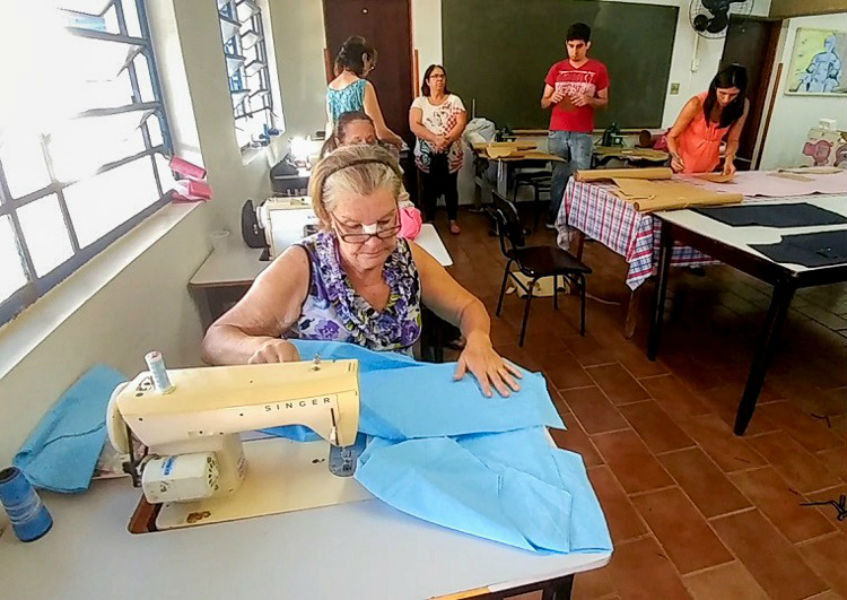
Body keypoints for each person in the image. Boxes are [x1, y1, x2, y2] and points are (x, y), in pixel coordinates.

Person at [201, 144, 521, 397]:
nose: (372, 241)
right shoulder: (302, 266)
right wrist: (259, 347)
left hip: (399, 407)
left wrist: (478, 339)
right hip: (322, 419)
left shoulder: (406, 257)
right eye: (354, 226)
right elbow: (216, 341)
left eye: (385, 222)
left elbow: (467, 307)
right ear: (328, 218)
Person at [541, 23, 609, 228]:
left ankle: (577, 222)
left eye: (579, 46)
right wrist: (553, 97)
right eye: (571, 46)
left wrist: (589, 100)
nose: (574, 51)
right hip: (558, 131)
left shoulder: (598, 69)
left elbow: (604, 102)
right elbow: (543, 102)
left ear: (588, 45)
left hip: (582, 133)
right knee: (559, 176)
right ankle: (555, 219)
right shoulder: (557, 68)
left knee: (581, 177)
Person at [409, 64, 468, 235]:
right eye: (435, 76)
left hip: (451, 152)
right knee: (428, 187)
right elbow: (414, 125)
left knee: (451, 187)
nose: (439, 80)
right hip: (427, 153)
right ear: (427, 81)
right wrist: (435, 139)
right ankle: (430, 220)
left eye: (442, 76)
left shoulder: (454, 100)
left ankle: (452, 220)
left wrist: (446, 140)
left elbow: (461, 123)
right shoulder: (419, 102)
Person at [666, 64, 749, 176]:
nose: (726, 99)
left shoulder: (742, 106)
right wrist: (675, 157)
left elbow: (733, 139)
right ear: (715, 88)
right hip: (681, 166)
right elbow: (672, 136)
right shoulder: (696, 103)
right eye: (722, 93)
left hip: (708, 169)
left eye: (733, 95)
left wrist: (729, 160)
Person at [326, 35, 404, 148]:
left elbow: (331, 128)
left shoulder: (331, 88)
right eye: (371, 65)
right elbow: (380, 132)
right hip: (362, 151)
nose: (369, 70)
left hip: (341, 152)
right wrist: (398, 140)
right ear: (364, 58)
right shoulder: (362, 86)